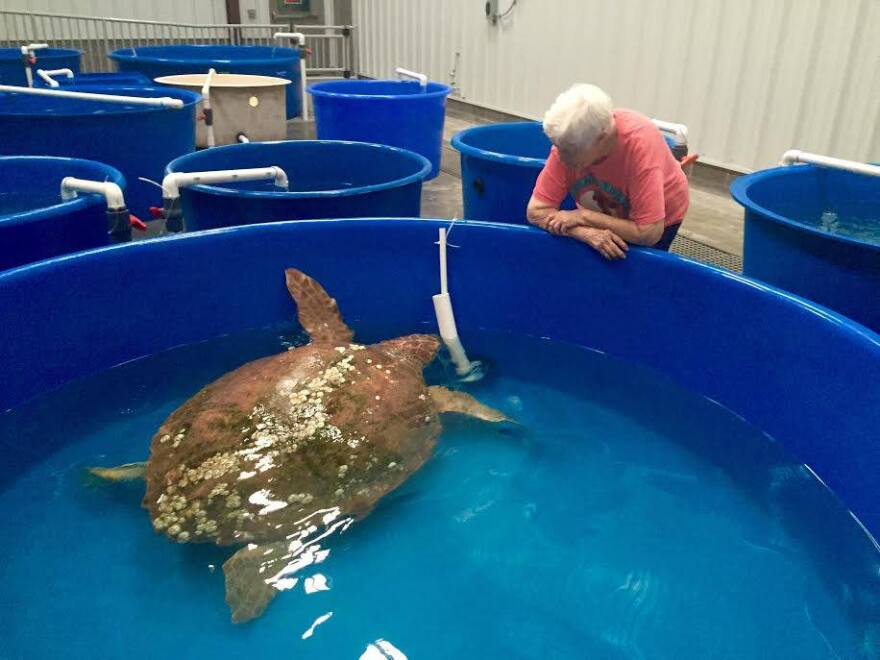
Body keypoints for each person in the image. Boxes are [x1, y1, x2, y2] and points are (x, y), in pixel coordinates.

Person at [526, 84, 689, 260]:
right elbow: (537, 212)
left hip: (657, 218)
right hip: (601, 208)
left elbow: (648, 233)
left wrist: (585, 217)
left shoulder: (639, 152)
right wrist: (584, 232)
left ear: (602, 138)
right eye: (558, 147)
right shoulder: (569, 143)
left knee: (636, 270)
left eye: (569, 151)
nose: (560, 157)